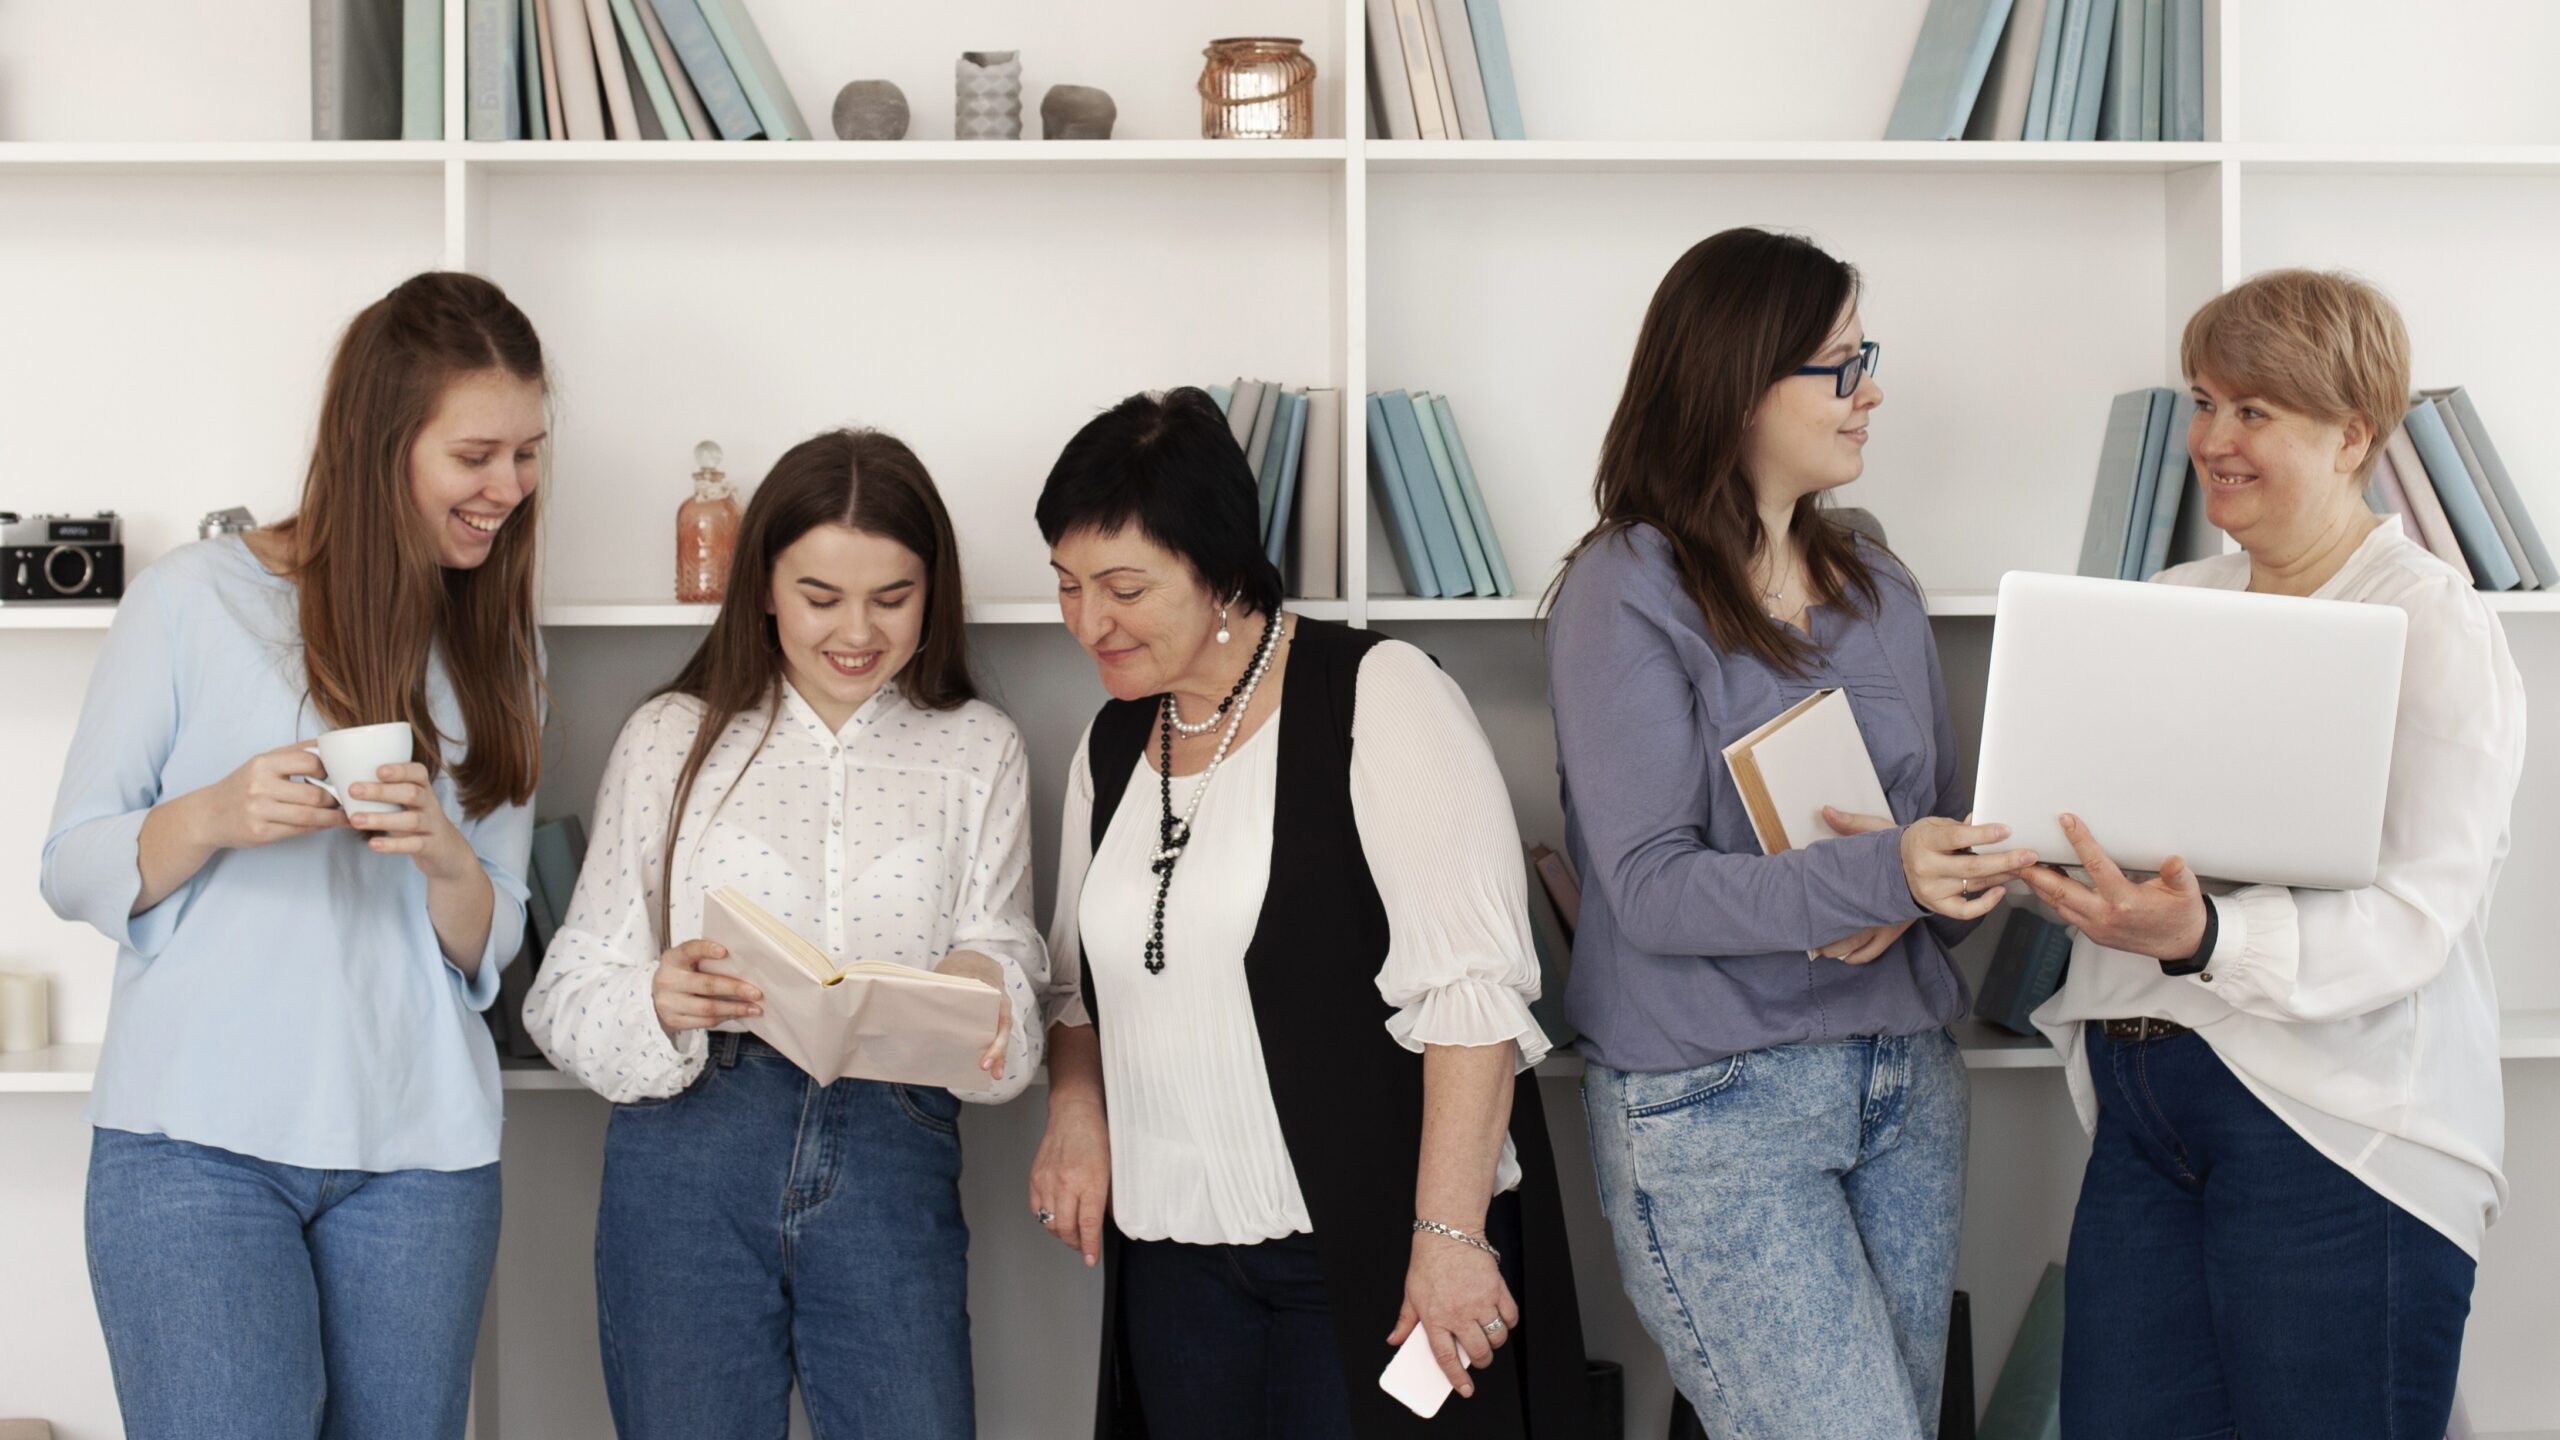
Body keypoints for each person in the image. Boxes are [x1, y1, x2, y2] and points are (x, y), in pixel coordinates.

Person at [1024, 387, 1588, 1439]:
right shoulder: (1110, 746)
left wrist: (1449, 1236)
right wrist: (1073, 1111)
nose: (1086, 621)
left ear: (1220, 566)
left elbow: (1472, 995)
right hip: (1172, 1267)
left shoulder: (1374, 694)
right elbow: (1078, 984)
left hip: (1364, 1256)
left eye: (1123, 586)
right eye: (1065, 586)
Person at [42, 271, 549, 1439]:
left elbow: (495, 934)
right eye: (477, 456)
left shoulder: (494, 649)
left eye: (527, 454)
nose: (509, 489)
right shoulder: (191, 602)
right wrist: (215, 812)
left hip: (422, 1158)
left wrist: (443, 860)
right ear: (383, 444)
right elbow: (72, 863)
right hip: (193, 1149)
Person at [1544, 227, 2032, 1438]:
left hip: (1904, 1083)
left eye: (1865, 354)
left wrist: (1930, 883)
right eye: (1836, 362)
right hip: (1711, 1102)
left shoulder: (1880, 585)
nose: (1871, 389)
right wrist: (1876, 872)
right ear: (1735, 379)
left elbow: (1952, 830)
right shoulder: (1626, 584)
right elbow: (1648, 889)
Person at [2025, 269, 2524, 1440]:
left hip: (2332, 1128)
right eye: (2205, 404)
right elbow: (2124, 854)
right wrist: (2011, 864)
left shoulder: (2428, 618)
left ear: (2352, 433)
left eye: (2254, 412)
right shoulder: (2170, 597)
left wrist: (2205, 937)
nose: (2211, 441)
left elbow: (2416, 911)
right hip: (2148, 1104)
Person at [522, 428, 1040, 1440]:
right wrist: (656, 998)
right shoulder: (671, 735)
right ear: (760, 586)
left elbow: (1011, 958)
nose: (858, 631)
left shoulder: (978, 748)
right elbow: (565, 992)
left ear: (933, 591)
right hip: (689, 1157)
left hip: (897, 1143)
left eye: (892, 597)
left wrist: (986, 979)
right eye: (820, 597)